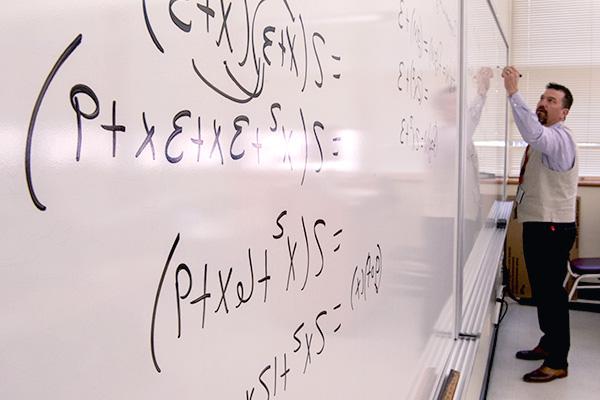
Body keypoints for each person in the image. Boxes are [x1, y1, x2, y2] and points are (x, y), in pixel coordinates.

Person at [502, 66, 578, 383]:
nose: (543, 103)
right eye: (542, 98)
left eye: (551, 100)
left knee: (552, 295)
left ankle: (558, 361)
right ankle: (549, 344)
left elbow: (532, 131)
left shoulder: (558, 139)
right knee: (544, 293)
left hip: (551, 228)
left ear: (564, 112)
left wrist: (512, 93)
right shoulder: (544, 141)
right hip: (540, 226)